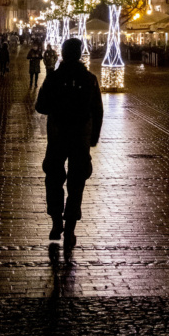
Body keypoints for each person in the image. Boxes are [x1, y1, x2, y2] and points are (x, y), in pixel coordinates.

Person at [36, 38, 103, 248]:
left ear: (63, 54)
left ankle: (57, 222)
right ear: (80, 53)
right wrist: (93, 137)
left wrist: (58, 107)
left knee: (54, 178)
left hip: (57, 136)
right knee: (77, 183)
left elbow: (41, 106)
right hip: (80, 137)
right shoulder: (89, 79)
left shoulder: (54, 78)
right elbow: (98, 111)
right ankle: (71, 228)